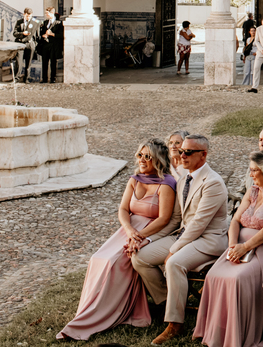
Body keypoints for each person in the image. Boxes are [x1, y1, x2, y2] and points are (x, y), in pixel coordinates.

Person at [57, 139, 179, 341]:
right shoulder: (134, 179)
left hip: (149, 231)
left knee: (113, 263)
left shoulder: (166, 184)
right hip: (128, 230)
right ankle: (87, 310)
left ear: (158, 159)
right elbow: (123, 209)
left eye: (147, 156)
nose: (142, 160)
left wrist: (140, 236)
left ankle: (103, 313)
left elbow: (164, 219)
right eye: (140, 155)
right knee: (98, 259)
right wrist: (130, 230)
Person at [130, 135, 230, 346]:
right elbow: (176, 219)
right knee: (139, 256)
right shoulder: (184, 179)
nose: (181, 155)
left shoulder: (213, 183)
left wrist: (173, 249)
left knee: (174, 262)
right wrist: (146, 239)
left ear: (203, 155)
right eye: (181, 151)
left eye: (188, 152)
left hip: (208, 240)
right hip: (184, 236)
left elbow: (198, 224)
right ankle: (169, 300)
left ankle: (175, 323)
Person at [192, 150, 263, 347]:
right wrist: (232, 247)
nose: (251, 173)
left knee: (237, 279)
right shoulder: (253, 190)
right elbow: (236, 220)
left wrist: (244, 247)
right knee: (214, 275)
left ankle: (240, 333)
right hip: (238, 248)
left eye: (254, 170)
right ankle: (218, 331)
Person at [38, 6, 63, 83]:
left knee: (53, 62)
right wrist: (44, 35)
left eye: (47, 13)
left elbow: (61, 35)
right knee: (44, 62)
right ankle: (44, 78)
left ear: (52, 13)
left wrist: (52, 34)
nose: (46, 15)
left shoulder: (59, 23)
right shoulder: (45, 22)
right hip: (45, 45)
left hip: (54, 45)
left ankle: (53, 78)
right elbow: (41, 32)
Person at [13, 7, 38, 82]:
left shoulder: (34, 22)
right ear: (24, 14)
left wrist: (34, 44)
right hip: (20, 44)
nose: (28, 18)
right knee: (19, 62)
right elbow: (15, 33)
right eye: (27, 16)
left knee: (28, 62)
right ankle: (16, 78)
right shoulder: (19, 22)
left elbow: (36, 35)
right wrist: (22, 34)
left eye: (30, 16)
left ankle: (26, 78)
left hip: (29, 44)